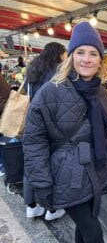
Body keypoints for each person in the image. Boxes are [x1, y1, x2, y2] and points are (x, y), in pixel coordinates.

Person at [23, 22, 107, 243]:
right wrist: (41, 183)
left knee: (85, 225)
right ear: (70, 56)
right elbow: (33, 140)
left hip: (94, 171)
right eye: (80, 52)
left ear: (100, 59)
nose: (86, 59)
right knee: (94, 231)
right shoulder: (51, 91)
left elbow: (105, 129)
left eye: (93, 53)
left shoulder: (100, 92)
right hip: (66, 175)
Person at [23, 42, 67, 221]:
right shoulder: (57, 71)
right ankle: (51, 208)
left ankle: (31, 206)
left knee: (32, 163)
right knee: (51, 164)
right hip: (51, 123)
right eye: (64, 53)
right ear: (58, 54)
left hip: (31, 121)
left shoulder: (34, 68)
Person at [0, 73, 10, 176]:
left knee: (2, 140)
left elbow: (4, 96)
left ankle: (3, 165)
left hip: (3, 110)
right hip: (4, 108)